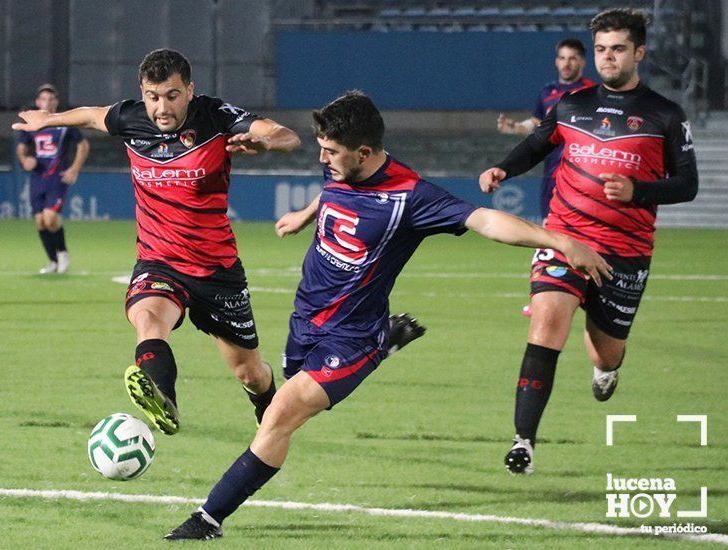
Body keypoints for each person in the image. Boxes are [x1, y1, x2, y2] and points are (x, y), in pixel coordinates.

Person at [164, 91, 612, 540]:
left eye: (331, 151)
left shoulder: (410, 196)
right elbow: (335, 190)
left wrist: (559, 241)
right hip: (306, 319)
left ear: (364, 152)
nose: (322, 157)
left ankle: (207, 519)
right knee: (283, 405)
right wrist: (306, 212)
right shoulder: (340, 162)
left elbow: (486, 221)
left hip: (352, 335)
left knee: (280, 415)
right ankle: (388, 342)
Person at [13, 49, 302, 434]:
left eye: (172, 95)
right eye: (153, 96)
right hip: (159, 261)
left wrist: (265, 143)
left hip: (216, 270)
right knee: (148, 320)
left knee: (249, 373)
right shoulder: (131, 118)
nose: (161, 107)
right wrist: (48, 120)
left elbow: (285, 135)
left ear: (189, 90)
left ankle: (266, 405)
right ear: (142, 93)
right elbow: (90, 114)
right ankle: (163, 398)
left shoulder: (214, 116)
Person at [479, 8, 698, 475]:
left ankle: (606, 367)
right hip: (566, 237)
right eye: (601, 49)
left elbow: (687, 185)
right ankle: (524, 443)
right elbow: (537, 144)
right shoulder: (571, 105)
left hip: (625, 253)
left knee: (606, 350)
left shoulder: (665, 115)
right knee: (546, 325)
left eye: (617, 49)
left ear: (639, 52)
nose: (607, 58)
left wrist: (640, 191)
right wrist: (504, 167)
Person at [496, 38, 594, 317]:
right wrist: (515, 128)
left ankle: (586, 290)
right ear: (556, 61)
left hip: (581, 172)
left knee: (582, 231)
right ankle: (543, 293)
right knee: (548, 232)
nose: (567, 63)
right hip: (551, 172)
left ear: (582, 62)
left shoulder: (592, 92)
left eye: (572, 58)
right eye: (562, 58)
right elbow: (539, 126)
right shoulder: (548, 92)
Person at [15, 83, 90, 274]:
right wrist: (25, 160)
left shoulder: (63, 123)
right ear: (38, 102)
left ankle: (63, 253)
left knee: (50, 218)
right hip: (37, 177)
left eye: (51, 99)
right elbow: (22, 148)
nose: (47, 102)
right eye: (43, 99)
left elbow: (83, 145)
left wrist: (74, 169)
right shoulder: (32, 124)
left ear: (56, 102)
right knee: (40, 221)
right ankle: (52, 261)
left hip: (57, 178)